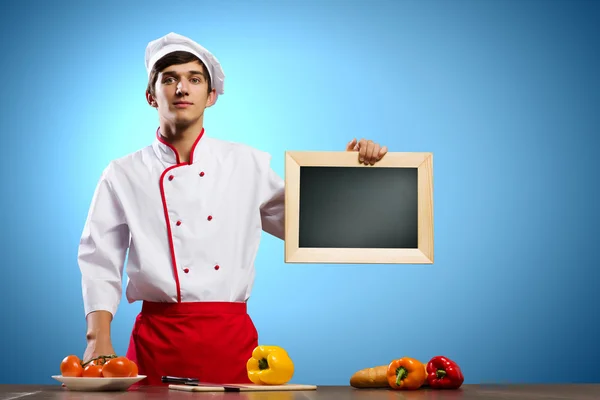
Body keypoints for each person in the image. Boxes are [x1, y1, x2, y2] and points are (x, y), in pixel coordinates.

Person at [77, 32, 388, 386]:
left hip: (232, 341)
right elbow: (99, 258)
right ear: (151, 96)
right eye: (169, 79)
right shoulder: (122, 173)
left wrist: (351, 173)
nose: (182, 89)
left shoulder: (248, 164)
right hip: (156, 340)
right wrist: (97, 339)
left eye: (194, 79)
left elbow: (308, 226)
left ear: (211, 96)